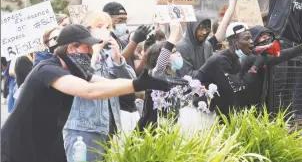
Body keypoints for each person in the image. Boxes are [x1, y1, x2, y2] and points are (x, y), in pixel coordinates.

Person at [1, 24, 173, 162]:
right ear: (71, 49)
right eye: (87, 47)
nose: (92, 52)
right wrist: (136, 84)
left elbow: (107, 84)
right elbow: (89, 91)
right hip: (17, 147)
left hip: (45, 145)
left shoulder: (73, 70)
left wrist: (142, 83)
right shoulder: (48, 69)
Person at [62, 11, 136, 162]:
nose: (105, 30)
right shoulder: (75, 52)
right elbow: (84, 77)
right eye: (99, 26)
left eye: (108, 26)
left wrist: (118, 60)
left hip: (109, 127)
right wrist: (94, 52)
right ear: (87, 29)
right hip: (84, 128)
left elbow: (131, 84)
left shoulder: (108, 55)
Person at [238, 25, 302, 110]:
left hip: (256, 105)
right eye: (262, 36)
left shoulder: (262, 55)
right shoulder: (252, 56)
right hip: (244, 107)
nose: (267, 38)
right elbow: (281, 55)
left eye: (268, 36)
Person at [176, 0, 241, 77]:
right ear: (192, 27)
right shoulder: (182, 47)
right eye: (200, 28)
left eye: (206, 28)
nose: (204, 32)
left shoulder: (207, 46)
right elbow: (188, 75)